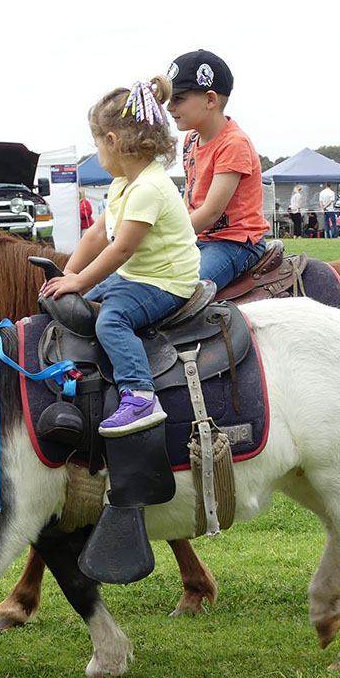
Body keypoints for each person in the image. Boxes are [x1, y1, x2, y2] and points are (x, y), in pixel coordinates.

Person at [40, 77, 199, 437]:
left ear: (112, 141)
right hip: (137, 275)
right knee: (79, 307)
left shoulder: (149, 188)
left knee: (111, 321)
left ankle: (141, 395)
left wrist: (79, 281)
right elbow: (98, 233)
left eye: (97, 145)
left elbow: (121, 248)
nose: (98, 153)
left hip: (166, 281)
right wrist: (68, 274)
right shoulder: (121, 185)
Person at [166, 50, 269, 287]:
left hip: (234, 243)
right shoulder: (191, 138)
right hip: (200, 237)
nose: (170, 107)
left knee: (180, 289)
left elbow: (211, 211)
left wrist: (166, 239)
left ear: (210, 100)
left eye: (178, 99)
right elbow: (190, 197)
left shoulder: (234, 143)